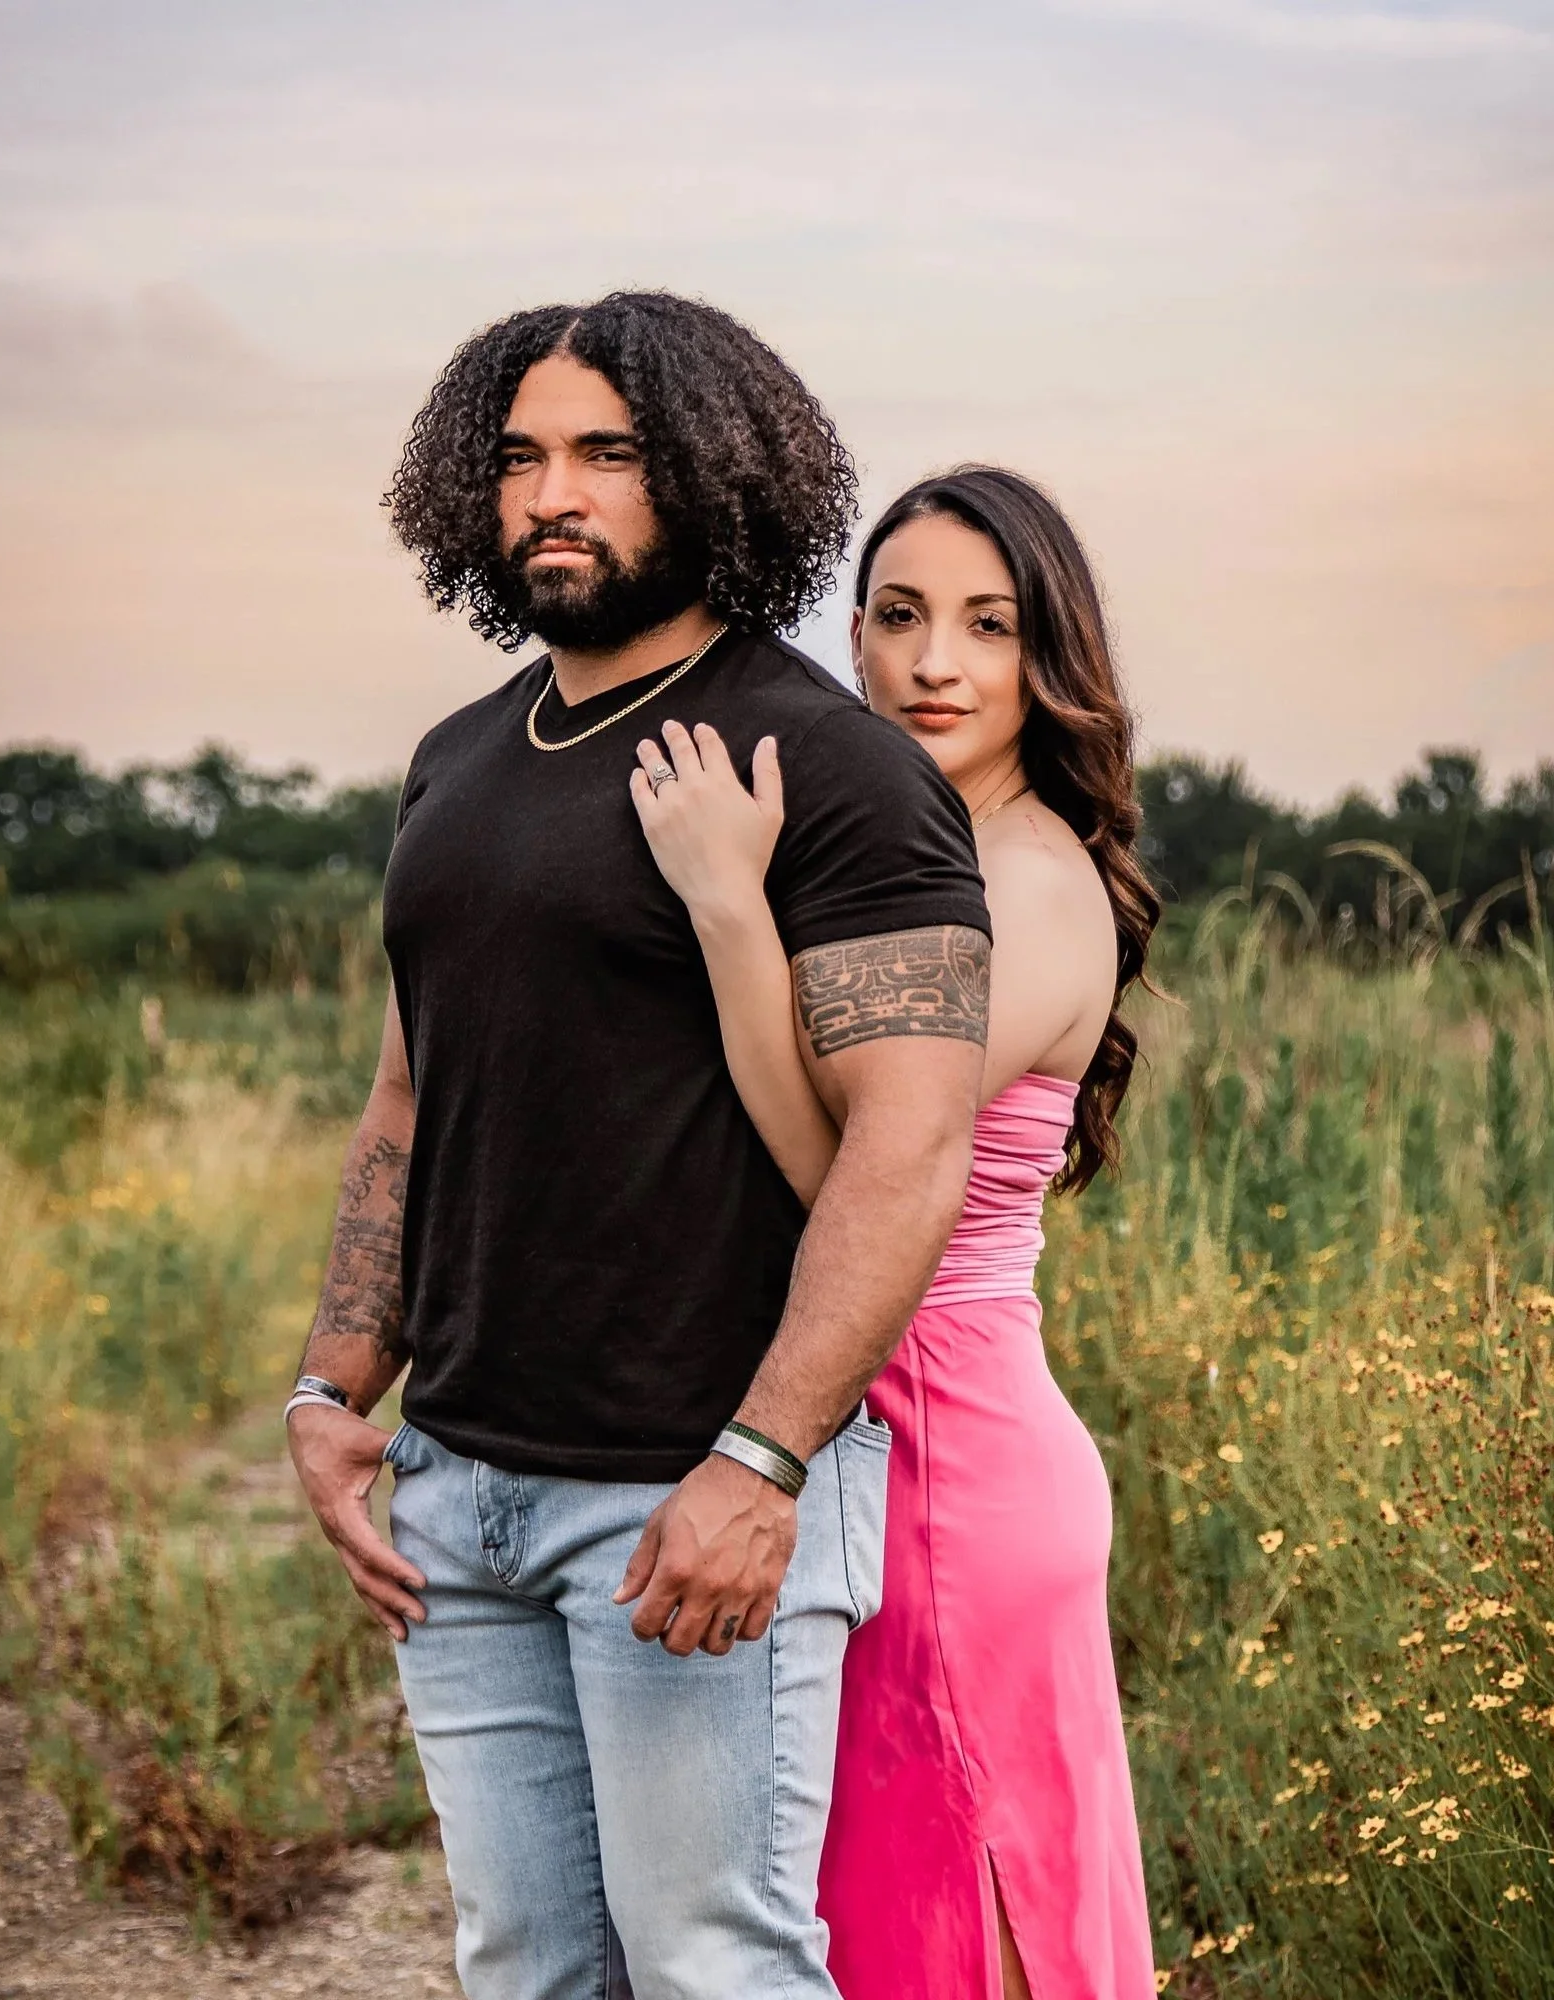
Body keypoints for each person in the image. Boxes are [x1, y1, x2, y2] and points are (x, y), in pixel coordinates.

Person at [284, 293, 997, 1999]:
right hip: (461, 1495)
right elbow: (409, 1101)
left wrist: (763, 1465)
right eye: (522, 456)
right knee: (525, 1966)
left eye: (608, 454)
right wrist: (331, 1388)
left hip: (692, 1491)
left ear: (713, 479)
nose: (555, 493)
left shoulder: (834, 769)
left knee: (714, 1966)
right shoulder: (455, 764)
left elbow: (910, 1156)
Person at [627, 465, 1160, 1998]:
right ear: (848, 640)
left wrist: (730, 911)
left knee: (945, 1924)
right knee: (867, 1906)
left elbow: (848, 1169)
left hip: (946, 1465)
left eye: (988, 627)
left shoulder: (1022, 879)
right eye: (899, 616)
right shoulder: (917, 857)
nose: (934, 663)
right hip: (898, 1436)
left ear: (1047, 662)